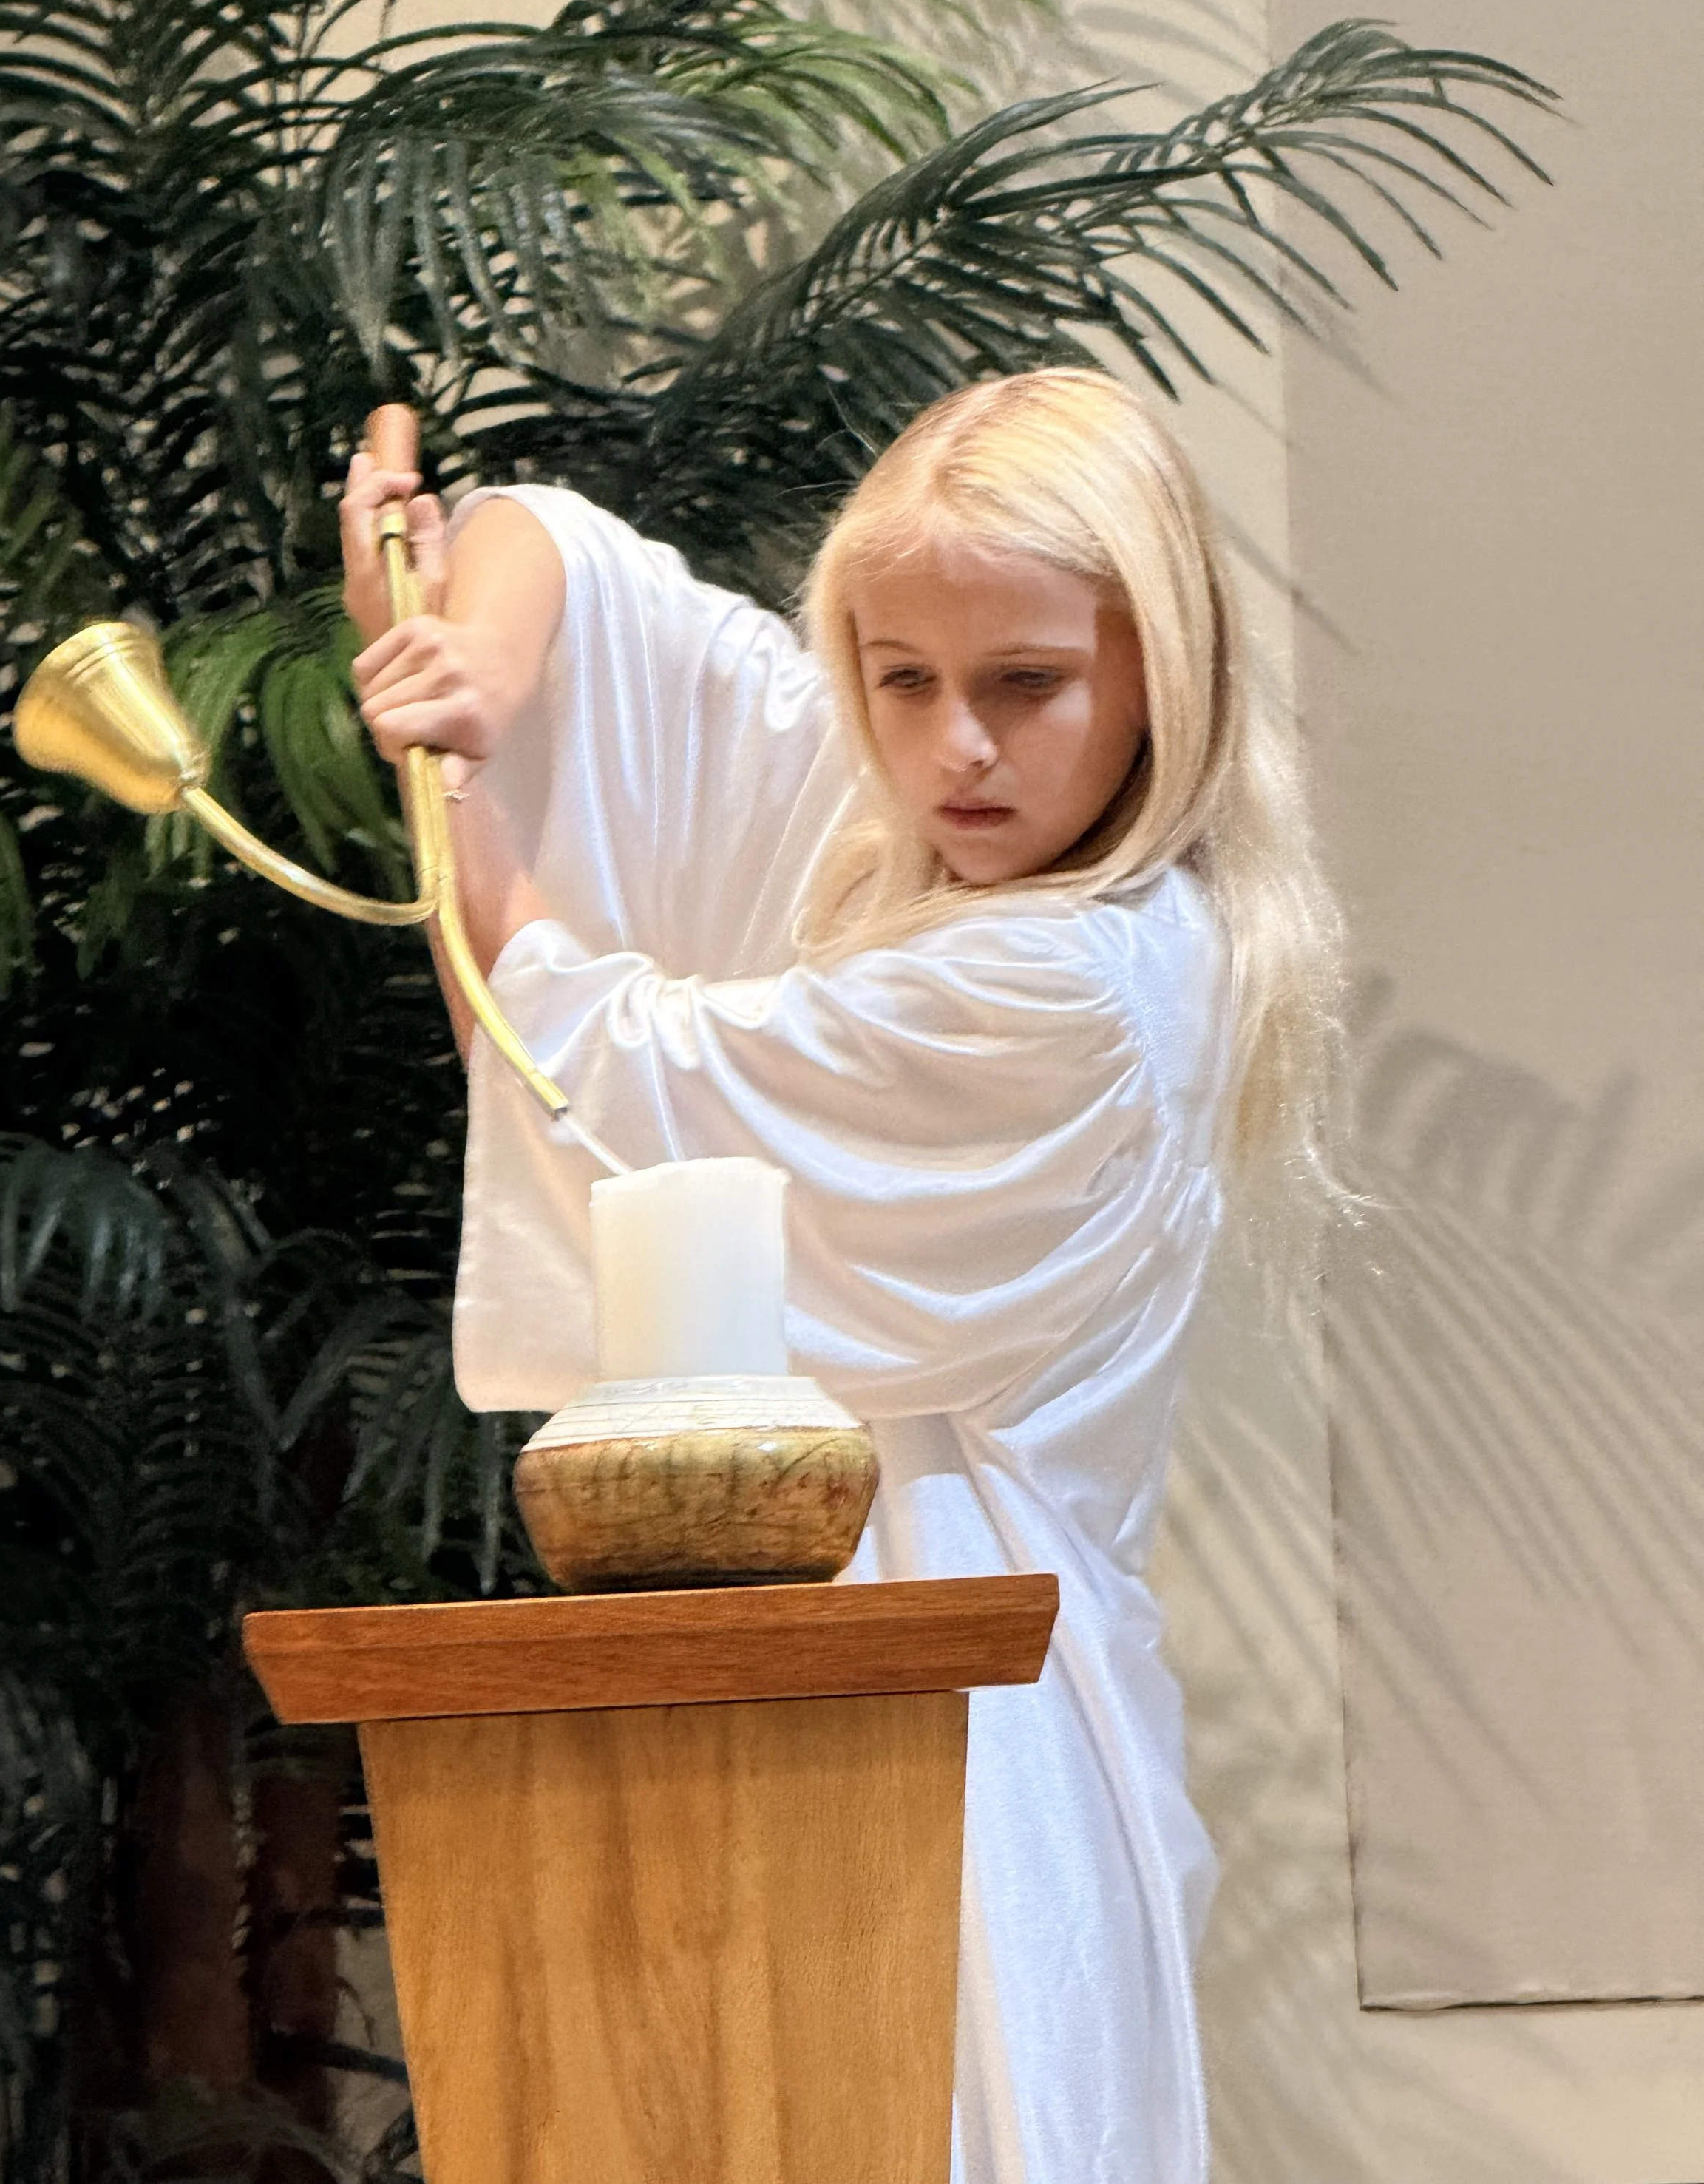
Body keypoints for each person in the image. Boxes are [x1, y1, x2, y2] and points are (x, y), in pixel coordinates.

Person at [338, 369, 1340, 2184]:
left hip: (956, 1726)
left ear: (1159, 671)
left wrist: (459, 804)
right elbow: (562, 556)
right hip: (812, 1703)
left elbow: (616, 1070)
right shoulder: (936, 831)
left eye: (1025, 683)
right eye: (899, 679)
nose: (953, 745)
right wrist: (464, 653)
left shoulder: (1069, 985)